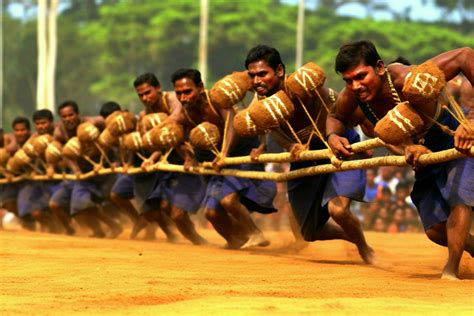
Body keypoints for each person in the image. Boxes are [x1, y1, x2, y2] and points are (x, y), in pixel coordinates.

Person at [327, 40, 473, 279]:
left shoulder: (409, 78)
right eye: (348, 80)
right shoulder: (353, 97)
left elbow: (465, 56)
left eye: (361, 76)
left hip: (454, 141)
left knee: (459, 198)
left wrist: (472, 121)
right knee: (435, 230)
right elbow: (335, 116)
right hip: (422, 158)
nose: (356, 85)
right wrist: (332, 136)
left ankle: (451, 271)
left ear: (380, 67)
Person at [245, 44, 374, 263]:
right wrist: (290, 146)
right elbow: (274, 130)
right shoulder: (259, 103)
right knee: (310, 232)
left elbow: (338, 104)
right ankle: (353, 236)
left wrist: (362, 126)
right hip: (305, 157)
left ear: (279, 71)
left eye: (262, 74)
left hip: (339, 144)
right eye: (252, 76)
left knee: (338, 211)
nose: (257, 81)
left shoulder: (302, 85)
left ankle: (365, 249)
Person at [170, 68, 276, 248]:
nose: (183, 98)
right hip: (216, 163)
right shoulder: (183, 115)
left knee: (228, 200)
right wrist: (188, 157)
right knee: (212, 214)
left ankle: (255, 233)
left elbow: (231, 124)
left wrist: (224, 154)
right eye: (179, 93)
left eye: (187, 92)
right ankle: (237, 243)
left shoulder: (216, 100)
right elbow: (174, 137)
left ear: (200, 87)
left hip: (239, 153)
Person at [49, 100, 122, 237]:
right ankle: (108, 227)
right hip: (84, 174)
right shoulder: (60, 133)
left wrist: (117, 160)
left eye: (70, 115)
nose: (68, 119)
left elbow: (117, 130)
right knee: (80, 206)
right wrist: (76, 169)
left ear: (78, 114)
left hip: (105, 168)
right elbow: (65, 154)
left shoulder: (94, 122)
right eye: (64, 117)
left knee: (115, 196)